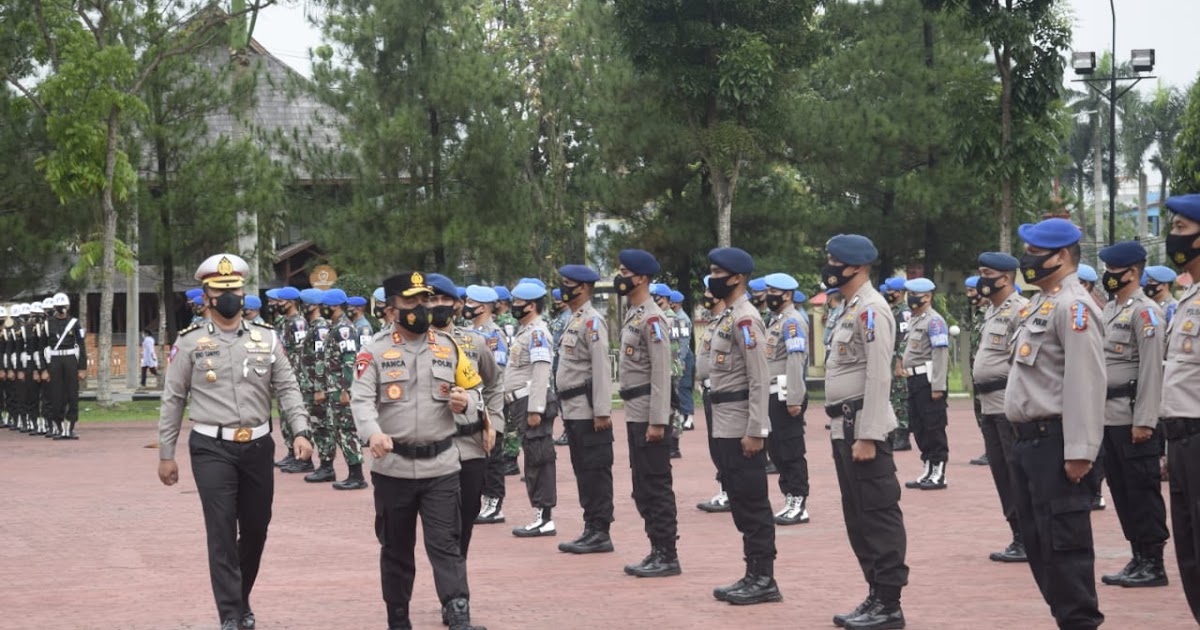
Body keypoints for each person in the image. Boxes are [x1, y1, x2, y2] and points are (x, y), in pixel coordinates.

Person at [157, 253, 315, 630]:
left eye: (236, 289)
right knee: (222, 528)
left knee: (257, 527)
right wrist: (167, 453)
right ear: (206, 297)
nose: (230, 295)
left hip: (258, 445)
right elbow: (173, 398)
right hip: (212, 447)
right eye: (221, 290)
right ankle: (231, 613)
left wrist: (302, 430)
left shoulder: (268, 339)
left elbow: (288, 387)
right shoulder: (190, 342)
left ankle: (240, 596)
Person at [350, 270, 486, 630]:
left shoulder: (448, 346)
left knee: (446, 544)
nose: (421, 308)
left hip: (442, 465)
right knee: (396, 549)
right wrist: (372, 433)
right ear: (391, 309)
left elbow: (475, 391)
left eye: (424, 300)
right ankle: (398, 617)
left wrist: (465, 402)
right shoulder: (374, 351)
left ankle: (458, 613)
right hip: (393, 468)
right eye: (411, 302)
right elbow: (361, 402)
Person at [1007, 218, 1105, 629]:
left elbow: (1086, 381)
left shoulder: (1074, 307)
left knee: (1065, 549)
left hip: (1055, 444)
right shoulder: (1040, 303)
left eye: (1034, 252)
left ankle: (1079, 622)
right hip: (1028, 443)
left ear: (1061, 256)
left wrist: (1080, 451)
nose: (1027, 260)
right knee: (1040, 546)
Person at [822, 235, 908, 630]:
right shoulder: (848, 309)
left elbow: (878, 375)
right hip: (845, 423)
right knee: (857, 516)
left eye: (833, 261)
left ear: (855, 267)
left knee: (877, 514)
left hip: (862, 424)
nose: (828, 267)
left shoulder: (872, 309)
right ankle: (875, 594)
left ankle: (889, 603)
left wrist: (869, 434)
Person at [706, 249, 781, 605]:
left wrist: (756, 429)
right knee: (739, 500)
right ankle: (752, 573)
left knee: (752, 503)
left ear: (737, 277)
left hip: (741, 425)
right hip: (723, 422)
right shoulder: (728, 316)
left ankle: (764, 578)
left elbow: (758, 378)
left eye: (718, 272)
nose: (712, 277)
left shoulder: (746, 319)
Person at [1094, 240, 1170, 588]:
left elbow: (1153, 371)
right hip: (1109, 417)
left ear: (1133, 272)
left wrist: (1145, 420)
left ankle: (1154, 562)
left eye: (1113, 271)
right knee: (1122, 491)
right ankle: (1137, 556)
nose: (1108, 276)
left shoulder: (1146, 312)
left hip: (1132, 418)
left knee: (1142, 491)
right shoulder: (1111, 310)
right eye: (1106, 270)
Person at [616, 249, 680, 578]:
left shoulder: (652, 318)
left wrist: (658, 420)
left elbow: (661, 371)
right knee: (642, 484)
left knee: (655, 483)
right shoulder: (635, 314)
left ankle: (667, 553)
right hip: (635, 410)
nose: (620, 275)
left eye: (625, 271)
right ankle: (656, 548)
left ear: (641, 278)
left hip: (648, 413)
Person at [970, 252, 1030, 564]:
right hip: (988, 406)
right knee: (1001, 474)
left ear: (1005, 277)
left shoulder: (1020, 310)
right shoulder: (991, 311)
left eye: (986, 273)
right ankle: (1017, 533)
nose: (982, 279)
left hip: (1008, 404)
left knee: (1015, 472)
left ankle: (1027, 536)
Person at [551, 264, 616, 554]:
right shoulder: (573, 319)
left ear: (583, 288)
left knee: (595, 471)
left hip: (589, 411)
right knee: (583, 470)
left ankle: (600, 531)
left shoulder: (592, 321)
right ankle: (590, 526)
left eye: (568, 283)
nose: (563, 288)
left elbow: (601, 368)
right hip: (573, 409)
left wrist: (602, 411)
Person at [437, 281, 503, 559]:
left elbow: (494, 383)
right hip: (433, 446)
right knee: (440, 520)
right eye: (431, 299)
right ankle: (452, 584)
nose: (437, 305)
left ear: (457, 305)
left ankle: (455, 571)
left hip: (470, 445)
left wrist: (494, 424)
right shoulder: (412, 345)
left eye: (444, 299)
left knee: (467, 515)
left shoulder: (473, 342)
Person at [1159, 193, 1200, 623]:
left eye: (1181, 230)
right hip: (1182, 441)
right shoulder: (1189, 299)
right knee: (1189, 556)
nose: (1173, 238)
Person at [506, 281, 560, 537]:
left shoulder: (537, 332)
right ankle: (540, 512)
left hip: (531, 402)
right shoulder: (524, 331)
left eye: (517, 302)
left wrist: (535, 408)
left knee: (539, 459)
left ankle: (544, 515)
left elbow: (540, 371)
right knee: (532, 457)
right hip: (522, 402)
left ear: (530, 305)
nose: (513, 306)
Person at [762, 272, 811, 526]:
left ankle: (799, 501)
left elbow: (795, 360)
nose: (768, 295)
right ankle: (789, 496)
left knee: (790, 449)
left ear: (787, 295)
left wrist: (794, 397)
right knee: (777, 449)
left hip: (785, 394)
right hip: (771, 393)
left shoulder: (792, 322)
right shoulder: (776, 321)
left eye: (773, 291)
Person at [901, 277, 950, 490]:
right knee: (918, 425)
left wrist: (938, 386)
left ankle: (939, 470)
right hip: (913, 379)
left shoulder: (935, 321)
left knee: (933, 426)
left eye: (915, 295)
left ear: (928, 297)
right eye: (909, 294)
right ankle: (928, 467)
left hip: (928, 380)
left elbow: (940, 354)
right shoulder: (914, 319)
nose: (911, 298)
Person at [316, 288, 368, 490]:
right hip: (334, 389)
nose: (323, 309)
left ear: (336, 306)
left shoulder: (343, 330)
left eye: (326, 306)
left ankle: (357, 475)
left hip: (342, 390)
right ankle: (352, 473)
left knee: (347, 431)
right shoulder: (335, 327)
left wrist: (347, 389)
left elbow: (350, 361)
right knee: (340, 431)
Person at [471, 285, 514, 525]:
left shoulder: (493, 334)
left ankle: (494, 502)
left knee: (493, 454)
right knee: (480, 454)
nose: (466, 305)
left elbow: (496, 373)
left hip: (491, 401)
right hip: (475, 402)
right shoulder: (470, 331)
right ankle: (483, 499)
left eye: (471, 302)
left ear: (484, 307)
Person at [696, 275, 733, 514]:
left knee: (725, 446)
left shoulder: (731, 322)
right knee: (715, 444)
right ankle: (724, 488)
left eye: (709, 292)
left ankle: (730, 491)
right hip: (711, 390)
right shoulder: (715, 322)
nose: (706, 296)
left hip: (725, 393)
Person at [880, 278, 912, 452]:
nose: (887, 293)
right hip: (889, 358)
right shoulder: (891, 310)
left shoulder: (904, 313)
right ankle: (895, 432)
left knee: (900, 397)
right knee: (892, 396)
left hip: (898, 359)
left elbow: (904, 340)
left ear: (899, 293)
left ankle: (903, 435)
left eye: (890, 290)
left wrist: (899, 362)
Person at [964, 277, 989, 467]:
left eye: (971, 291)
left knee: (989, 410)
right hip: (976, 370)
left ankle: (993, 449)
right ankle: (989, 447)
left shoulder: (989, 312)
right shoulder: (973, 313)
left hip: (989, 372)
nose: (968, 295)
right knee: (978, 410)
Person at [671, 290, 697, 431]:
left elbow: (684, 342)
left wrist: (681, 361)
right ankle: (682, 415)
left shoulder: (682, 319)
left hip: (684, 356)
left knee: (684, 387)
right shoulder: (674, 317)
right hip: (678, 356)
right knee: (678, 388)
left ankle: (689, 417)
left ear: (677, 303)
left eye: (672, 301)